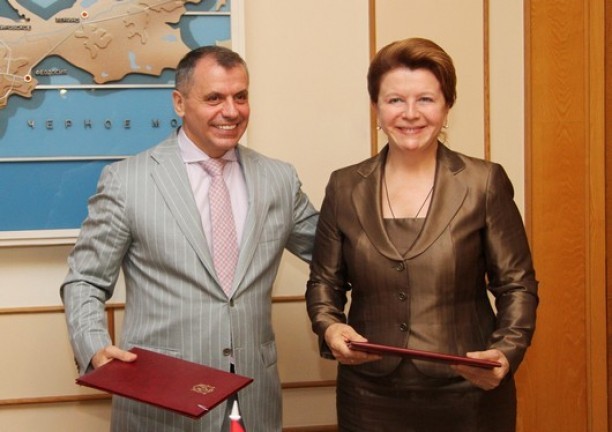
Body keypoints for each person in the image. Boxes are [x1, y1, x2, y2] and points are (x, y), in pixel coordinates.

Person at [61, 45, 319, 432]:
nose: (231, 111)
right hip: (160, 400)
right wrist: (95, 345)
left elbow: (332, 252)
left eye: (240, 97)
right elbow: (85, 279)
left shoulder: (278, 179)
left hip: (253, 399)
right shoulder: (128, 181)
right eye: (214, 98)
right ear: (179, 103)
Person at [305, 37, 538, 432]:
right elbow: (324, 283)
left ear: (447, 106)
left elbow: (517, 285)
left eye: (426, 100)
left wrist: (505, 350)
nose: (410, 114)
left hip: (468, 390)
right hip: (368, 395)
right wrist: (329, 326)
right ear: (376, 107)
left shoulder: (483, 183)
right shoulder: (344, 186)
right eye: (395, 100)